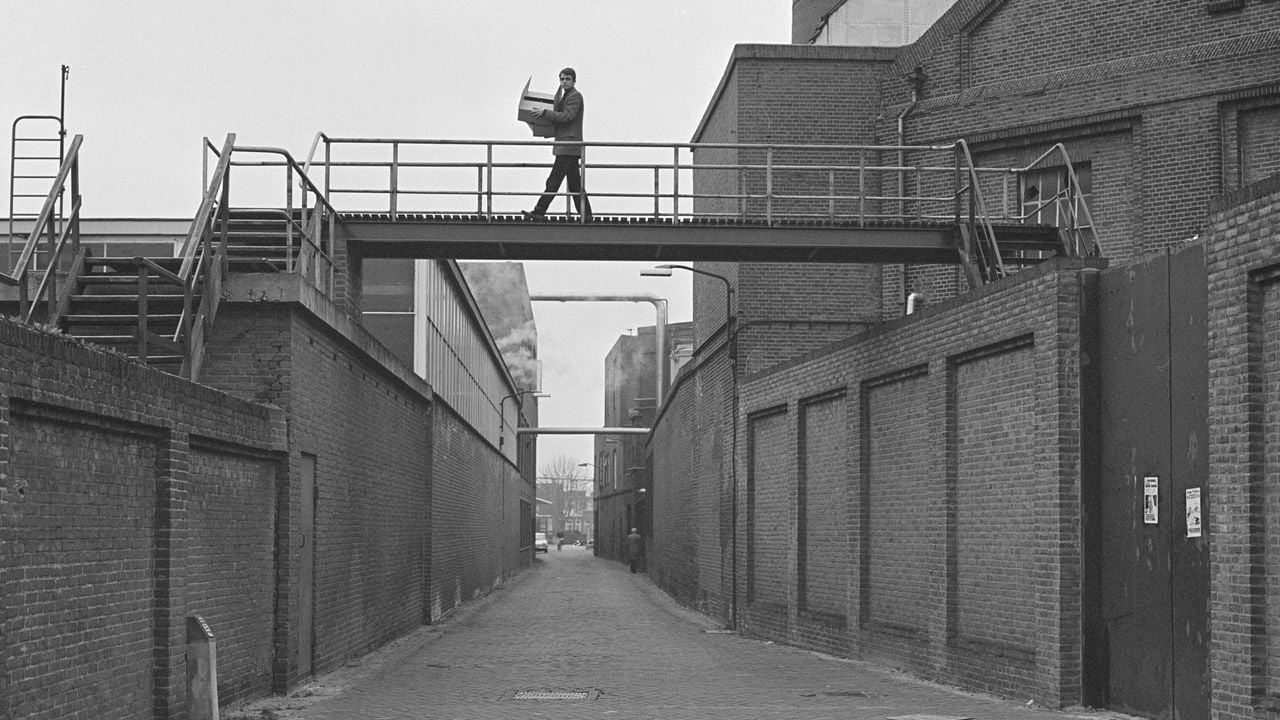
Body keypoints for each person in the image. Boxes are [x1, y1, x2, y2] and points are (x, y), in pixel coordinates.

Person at [523, 67, 592, 223]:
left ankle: (539, 211)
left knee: (554, 181)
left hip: (568, 145)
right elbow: (563, 120)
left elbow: (567, 116)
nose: (564, 82)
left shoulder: (575, 96)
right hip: (567, 145)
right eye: (562, 79)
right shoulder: (564, 96)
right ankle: (587, 216)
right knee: (575, 185)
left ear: (574, 80)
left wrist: (545, 113)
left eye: (567, 79)